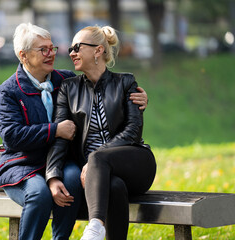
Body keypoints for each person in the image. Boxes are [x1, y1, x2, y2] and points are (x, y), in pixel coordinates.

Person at [0, 23, 148, 240]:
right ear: (23, 55)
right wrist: (54, 131)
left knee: (74, 180)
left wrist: (139, 99)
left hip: (62, 161)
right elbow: (11, 136)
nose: (51, 54)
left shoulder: (63, 80)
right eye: (43, 50)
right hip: (25, 163)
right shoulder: (9, 91)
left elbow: (102, 86)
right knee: (39, 195)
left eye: (52, 48)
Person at [46, 25, 156, 240]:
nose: (71, 53)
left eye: (77, 47)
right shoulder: (68, 89)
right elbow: (61, 136)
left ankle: (95, 226)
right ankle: (98, 231)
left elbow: (132, 132)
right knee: (114, 187)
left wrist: (95, 159)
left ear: (98, 51)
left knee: (98, 158)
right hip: (98, 176)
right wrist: (53, 175)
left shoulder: (126, 82)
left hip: (134, 163)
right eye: (70, 48)